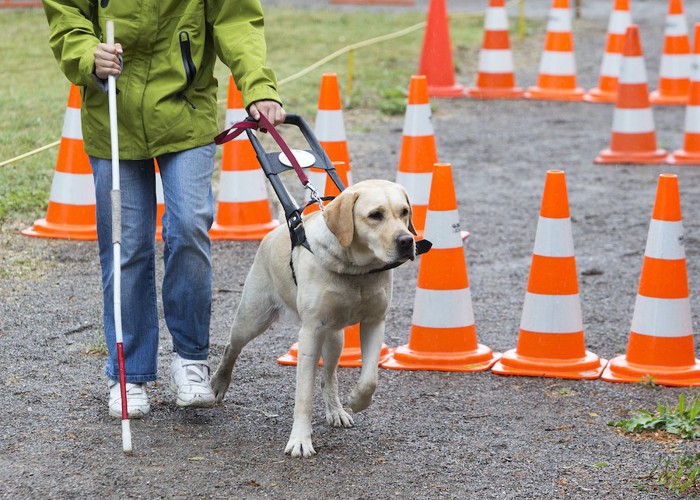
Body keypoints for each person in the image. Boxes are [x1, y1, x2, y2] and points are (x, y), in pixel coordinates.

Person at [42, 0, 285, 418]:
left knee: (189, 225)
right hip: (112, 115)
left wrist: (258, 86)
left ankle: (190, 361)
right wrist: (88, 55)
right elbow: (67, 16)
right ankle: (128, 374)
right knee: (128, 245)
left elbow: (236, 19)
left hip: (185, 113)